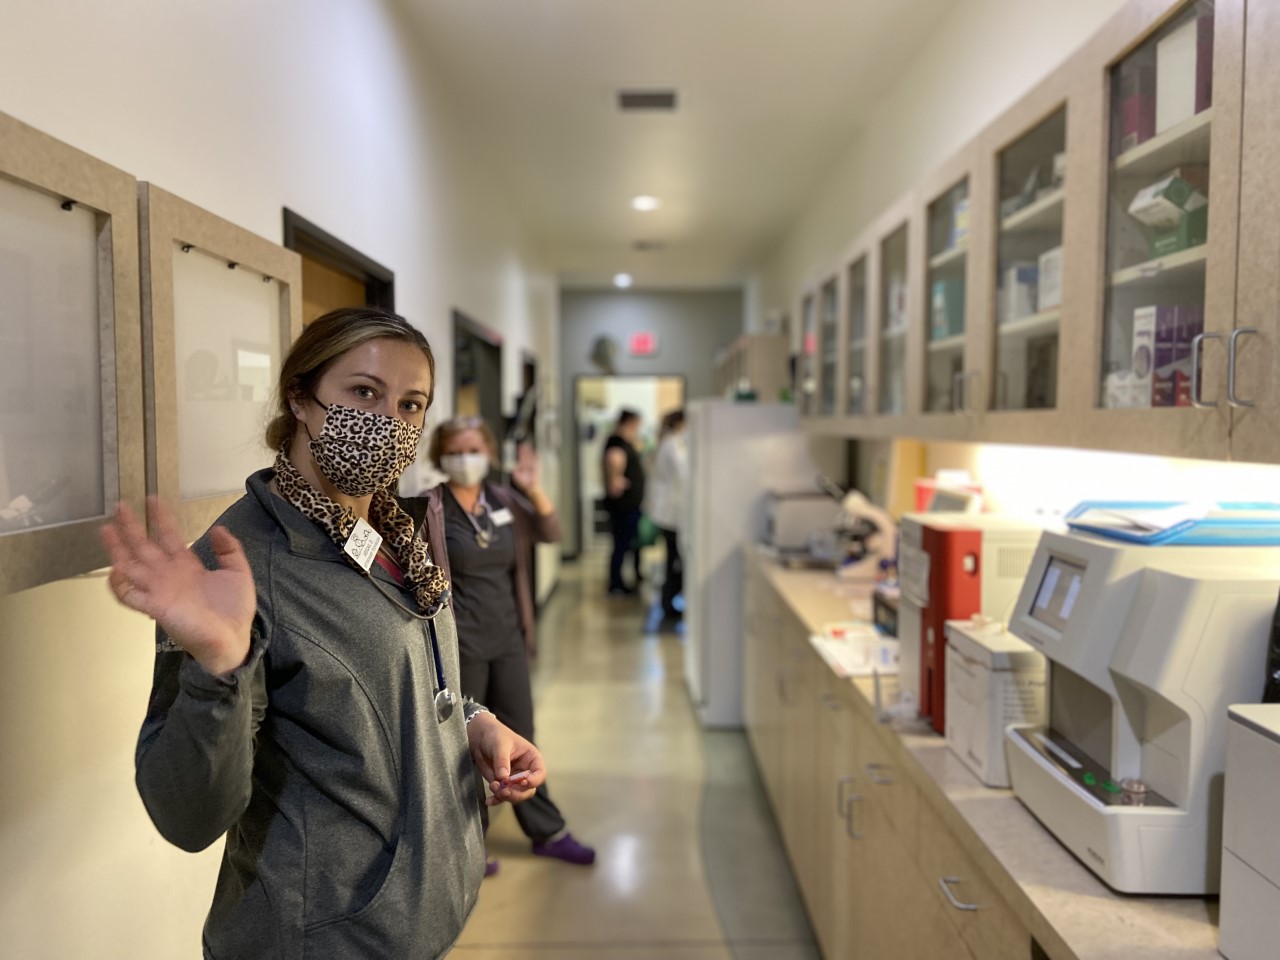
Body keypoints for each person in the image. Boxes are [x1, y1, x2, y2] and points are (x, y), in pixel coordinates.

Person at [100, 307, 545, 960]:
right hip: (324, 936)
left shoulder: (399, 535)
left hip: (417, 914)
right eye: (364, 392)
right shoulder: (238, 566)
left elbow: (400, 677)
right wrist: (219, 665)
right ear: (301, 399)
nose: (390, 421)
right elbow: (187, 815)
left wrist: (474, 722)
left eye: (411, 403)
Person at [426, 417, 595, 873]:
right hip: (462, 643)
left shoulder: (502, 501)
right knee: (462, 748)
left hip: (508, 638)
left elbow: (552, 532)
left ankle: (547, 831)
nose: (465, 458)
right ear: (440, 457)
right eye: (455, 450)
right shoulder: (428, 507)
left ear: (489, 453)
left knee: (522, 737)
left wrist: (533, 487)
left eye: (474, 449)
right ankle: (467, 847)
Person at [647, 409, 689, 627]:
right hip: (671, 513)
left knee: (673, 559)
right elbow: (683, 474)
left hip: (671, 512)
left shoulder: (670, 442)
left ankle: (669, 601)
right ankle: (668, 603)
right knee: (674, 561)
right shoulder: (672, 444)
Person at [602, 409, 645, 596]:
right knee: (621, 544)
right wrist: (615, 479)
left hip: (629, 504)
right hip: (623, 505)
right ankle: (616, 584)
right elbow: (613, 461)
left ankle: (620, 580)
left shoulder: (625, 441)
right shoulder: (617, 442)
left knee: (626, 544)